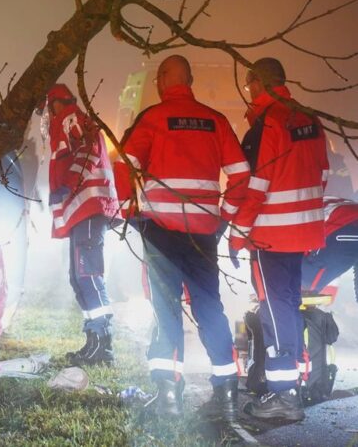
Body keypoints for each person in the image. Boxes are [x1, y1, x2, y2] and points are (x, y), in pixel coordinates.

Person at [114, 55, 249, 419]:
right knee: (210, 309)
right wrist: (225, 218)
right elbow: (241, 175)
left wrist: (129, 210)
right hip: (203, 232)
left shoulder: (153, 118)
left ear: (161, 81)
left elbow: (124, 164)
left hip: (160, 232)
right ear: (189, 80)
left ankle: (168, 396)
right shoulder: (216, 121)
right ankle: (227, 395)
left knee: (166, 309)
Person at [230, 57, 328, 421]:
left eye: (249, 85)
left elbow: (254, 188)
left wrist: (237, 234)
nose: (248, 92)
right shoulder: (311, 119)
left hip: (271, 235)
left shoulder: (267, 124)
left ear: (258, 83)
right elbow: (322, 174)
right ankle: (291, 388)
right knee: (286, 303)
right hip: (303, 231)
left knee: (274, 310)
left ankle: (283, 396)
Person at [43, 83, 118, 365]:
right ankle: (94, 341)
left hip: (88, 206)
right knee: (79, 278)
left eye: (49, 109)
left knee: (88, 276)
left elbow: (89, 150)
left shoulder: (72, 118)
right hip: (82, 208)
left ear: (56, 104)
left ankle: (104, 345)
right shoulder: (69, 120)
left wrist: (67, 185)